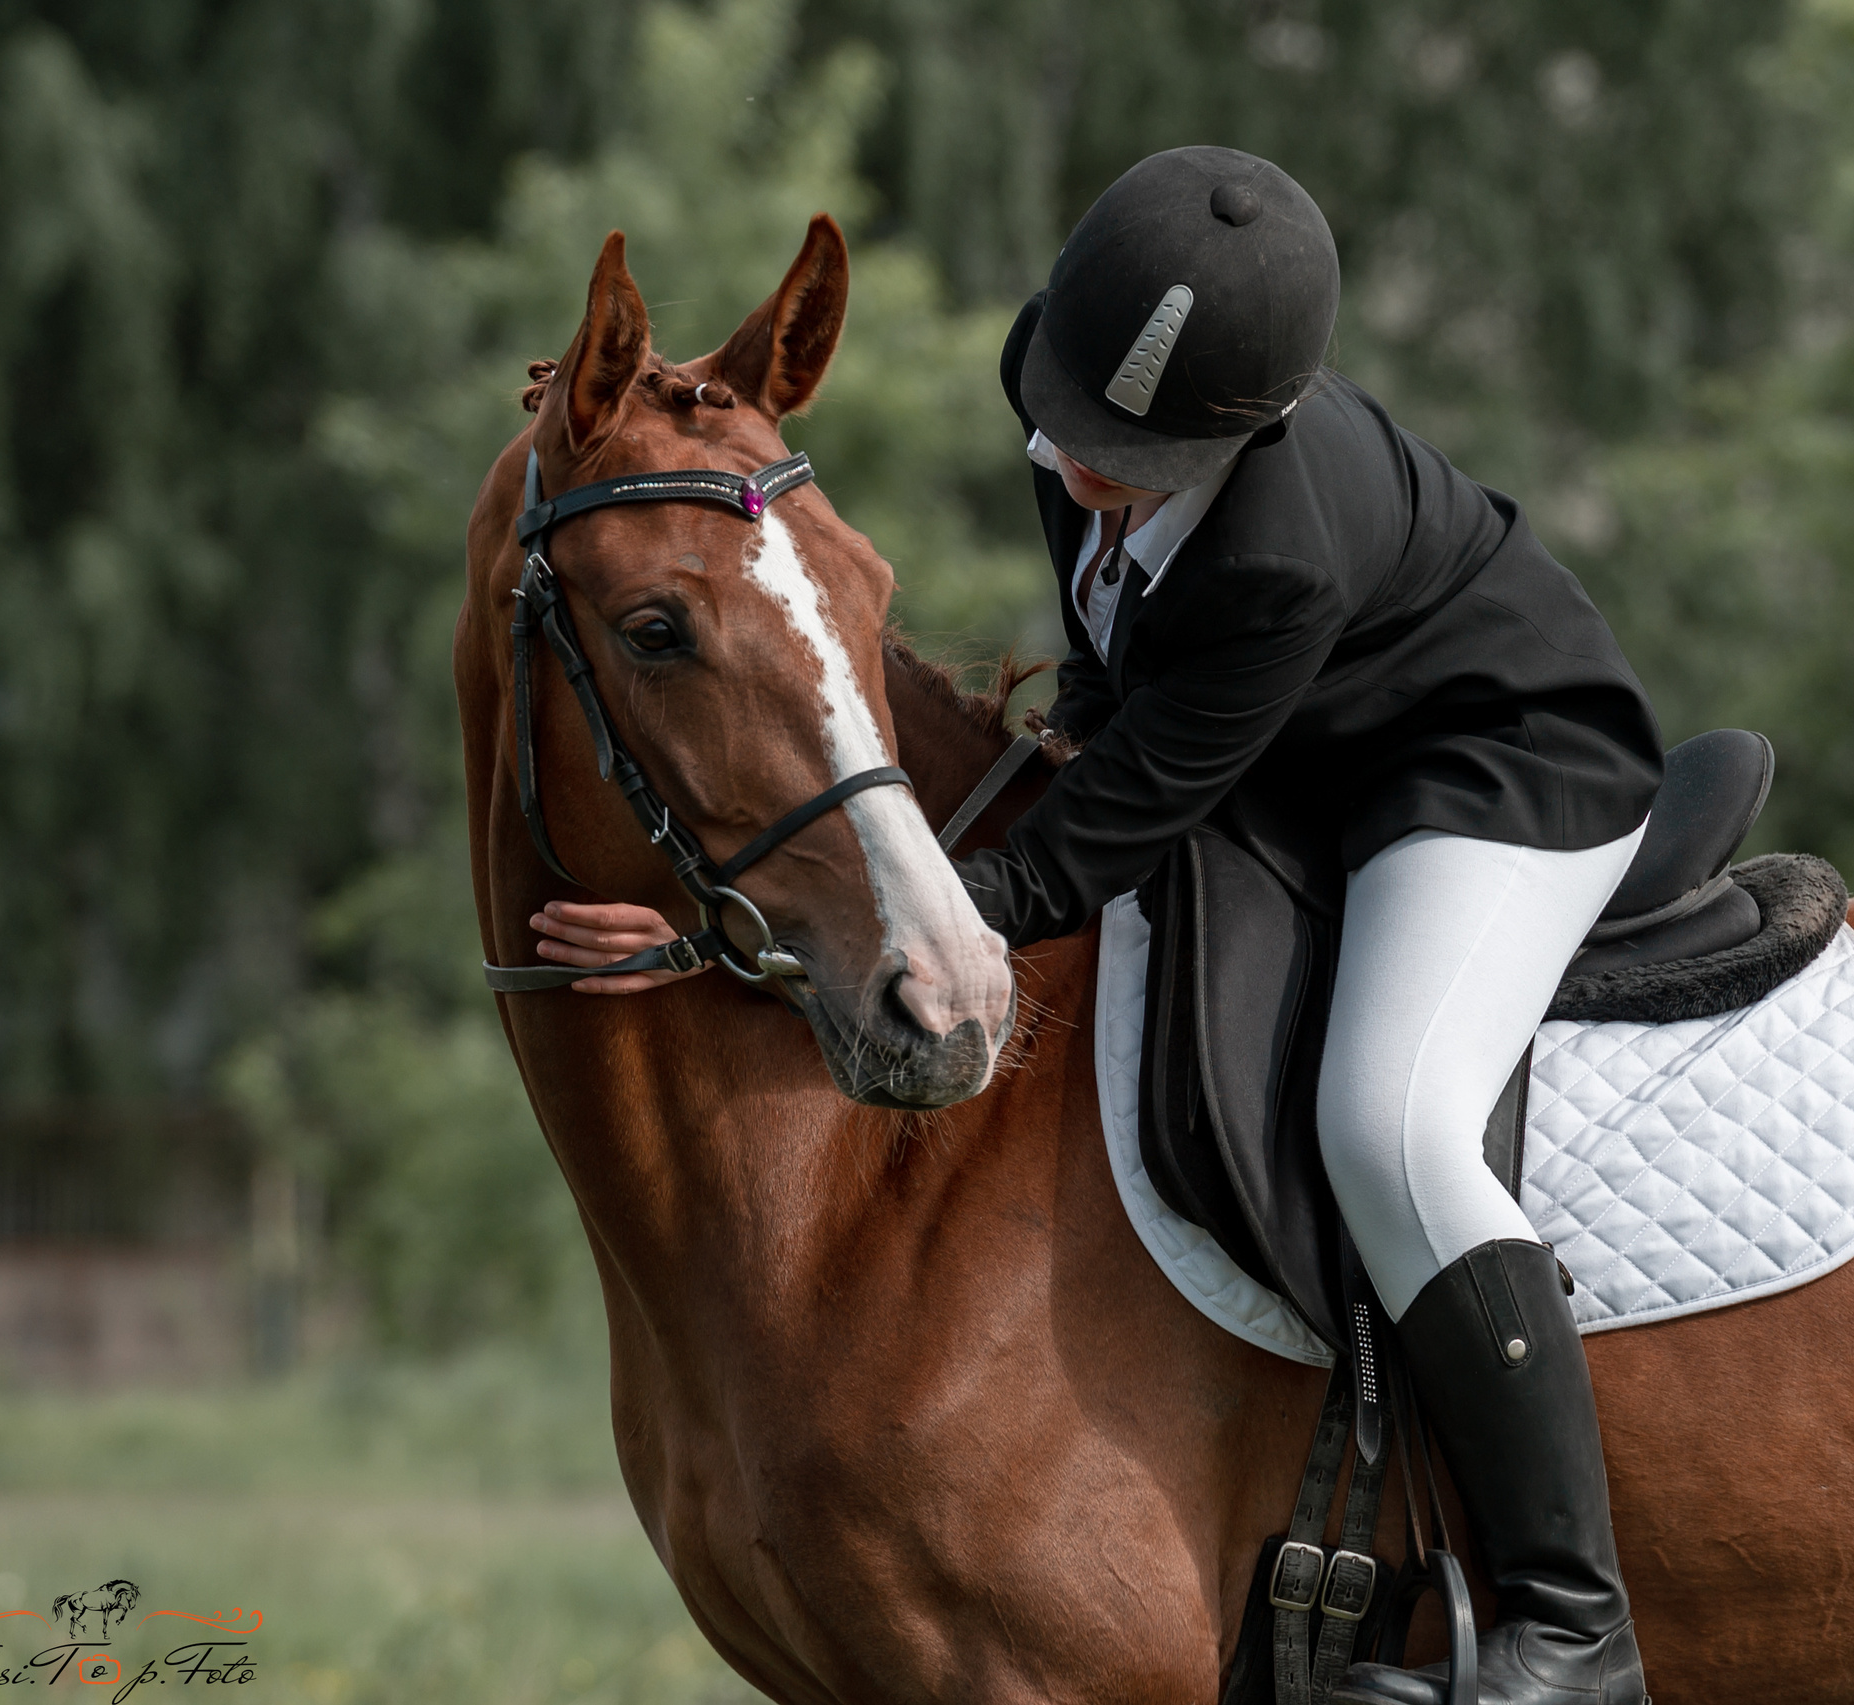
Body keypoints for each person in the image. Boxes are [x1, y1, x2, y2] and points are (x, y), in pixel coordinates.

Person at [528, 147, 1664, 1705]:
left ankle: (1573, 1624)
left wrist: (819, 936)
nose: (1069, 462)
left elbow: (1110, 829)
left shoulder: (1280, 551)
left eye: (1127, 451)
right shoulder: (1058, 386)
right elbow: (1115, 670)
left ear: (1240, 436)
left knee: (1387, 1123)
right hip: (1294, 757)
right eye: (1065, 416)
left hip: (1487, 771)